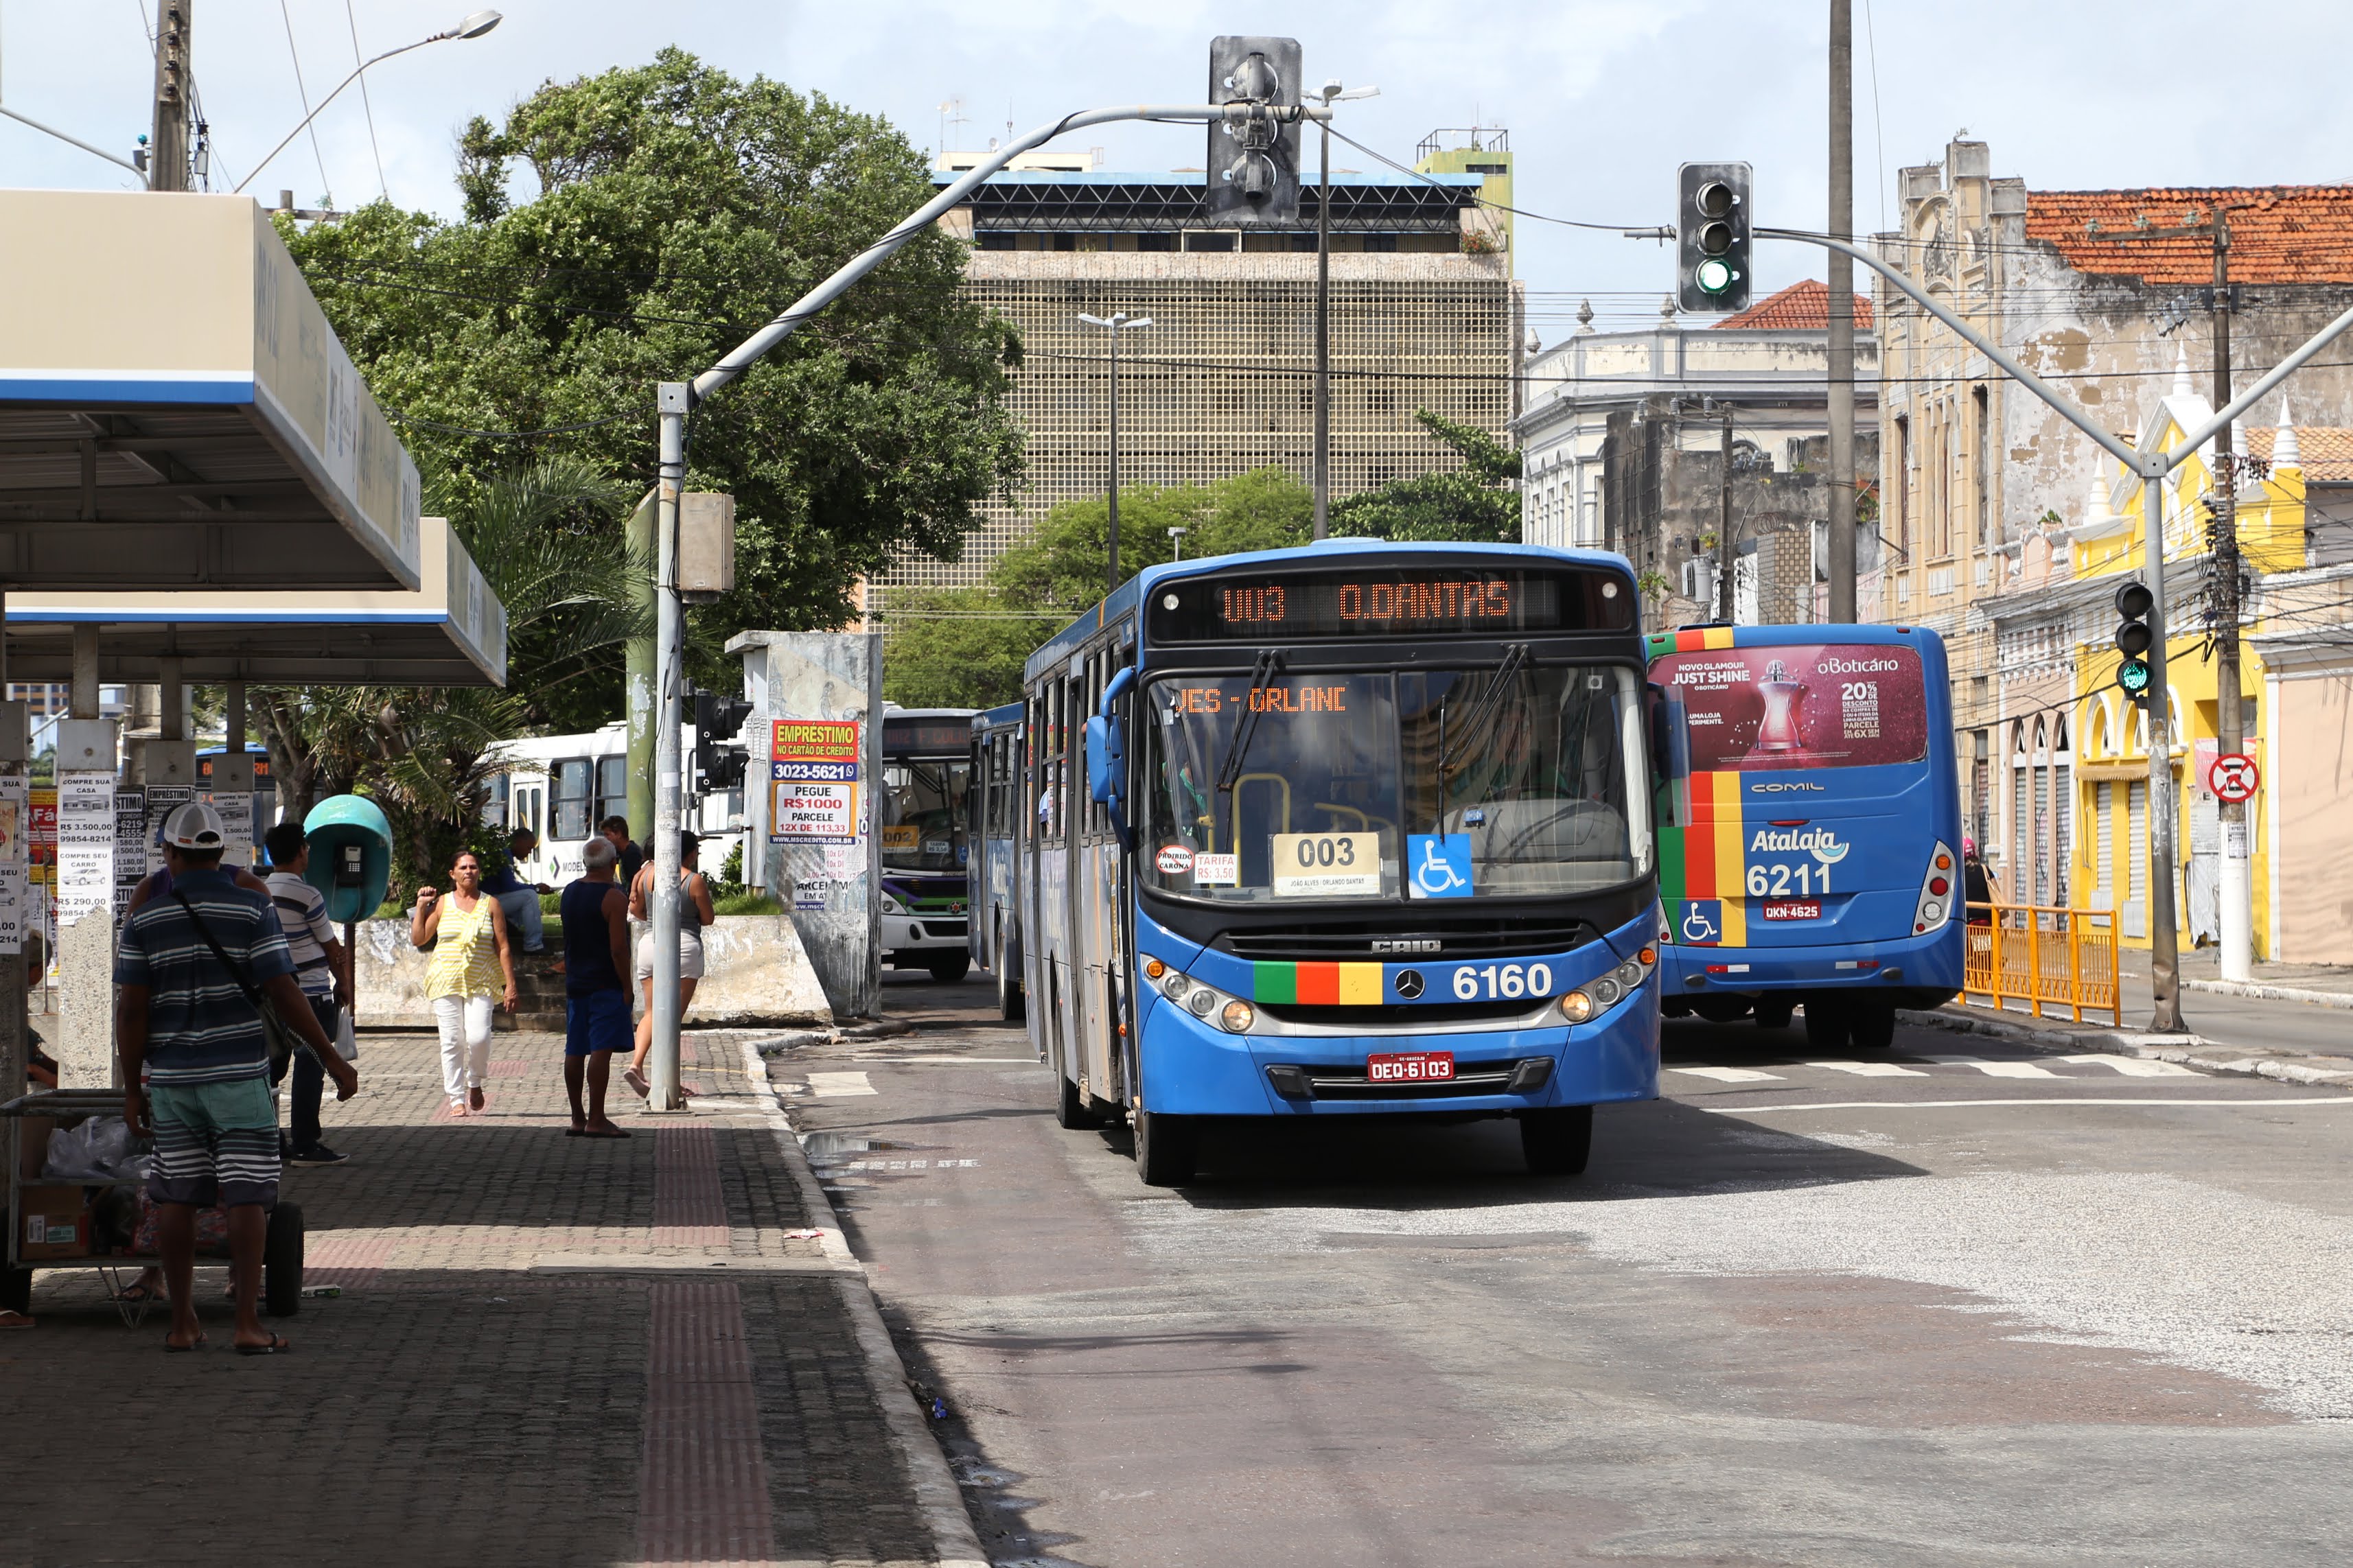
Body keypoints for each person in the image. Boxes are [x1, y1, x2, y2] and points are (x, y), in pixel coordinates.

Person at [117, 801, 355, 1354]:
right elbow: (284, 990)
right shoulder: (252, 907)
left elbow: (131, 1011)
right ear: (221, 852)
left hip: (172, 1080)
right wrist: (332, 1057)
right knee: (248, 1194)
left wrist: (132, 1089)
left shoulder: (146, 917)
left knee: (176, 1196)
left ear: (170, 853)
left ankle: (183, 1323)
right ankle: (247, 1323)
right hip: (241, 1077)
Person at [263, 821, 353, 1167]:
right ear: (301, 851)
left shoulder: (260, 890)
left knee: (269, 1070)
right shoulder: (308, 894)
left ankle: (271, 1140)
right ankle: (305, 1143)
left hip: (272, 996)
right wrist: (343, 982)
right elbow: (331, 947)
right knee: (311, 1065)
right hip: (311, 995)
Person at [410, 850, 518, 1119]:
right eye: (463, 867)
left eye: (473, 867)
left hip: (482, 979)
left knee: (478, 1036)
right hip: (445, 979)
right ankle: (456, 1098)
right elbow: (419, 939)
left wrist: (511, 984)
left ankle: (475, 1081)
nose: (469, 871)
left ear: (479, 872)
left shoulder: (491, 904)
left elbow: (503, 947)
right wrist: (421, 907)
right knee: (452, 1040)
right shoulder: (443, 903)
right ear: (452, 874)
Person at [624, 831, 716, 1100]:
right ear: (690, 853)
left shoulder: (646, 876)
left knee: (651, 1012)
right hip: (683, 946)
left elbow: (636, 911)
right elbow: (708, 918)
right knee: (672, 1017)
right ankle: (668, 1082)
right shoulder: (694, 880)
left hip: (649, 944)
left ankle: (636, 1064)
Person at [559, 836, 632, 1138]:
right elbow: (618, 948)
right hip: (604, 983)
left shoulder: (569, 892)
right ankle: (597, 1118)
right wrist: (627, 986)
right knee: (601, 1050)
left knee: (575, 1050)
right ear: (614, 863)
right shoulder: (614, 897)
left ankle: (578, 1117)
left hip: (576, 982)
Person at [478, 827, 553, 953]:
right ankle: (533, 945)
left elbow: (510, 887)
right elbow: (510, 886)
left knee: (524, 896)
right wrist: (536, 888)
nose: (530, 852)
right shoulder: (504, 853)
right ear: (519, 842)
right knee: (529, 896)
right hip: (485, 904)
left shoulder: (505, 852)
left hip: (490, 901)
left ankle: (510, 928)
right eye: (529, 848)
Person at [600, 815, 646, 885]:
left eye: (607, 835)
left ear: (619, 834)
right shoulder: (621, 852)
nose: (605, 839)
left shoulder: (632, 855)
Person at [1962, 836, 1999, 926]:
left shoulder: (1959, 874)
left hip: (1968, 923)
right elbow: (1997, 893)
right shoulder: (1985, 870)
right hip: (1989, 922)